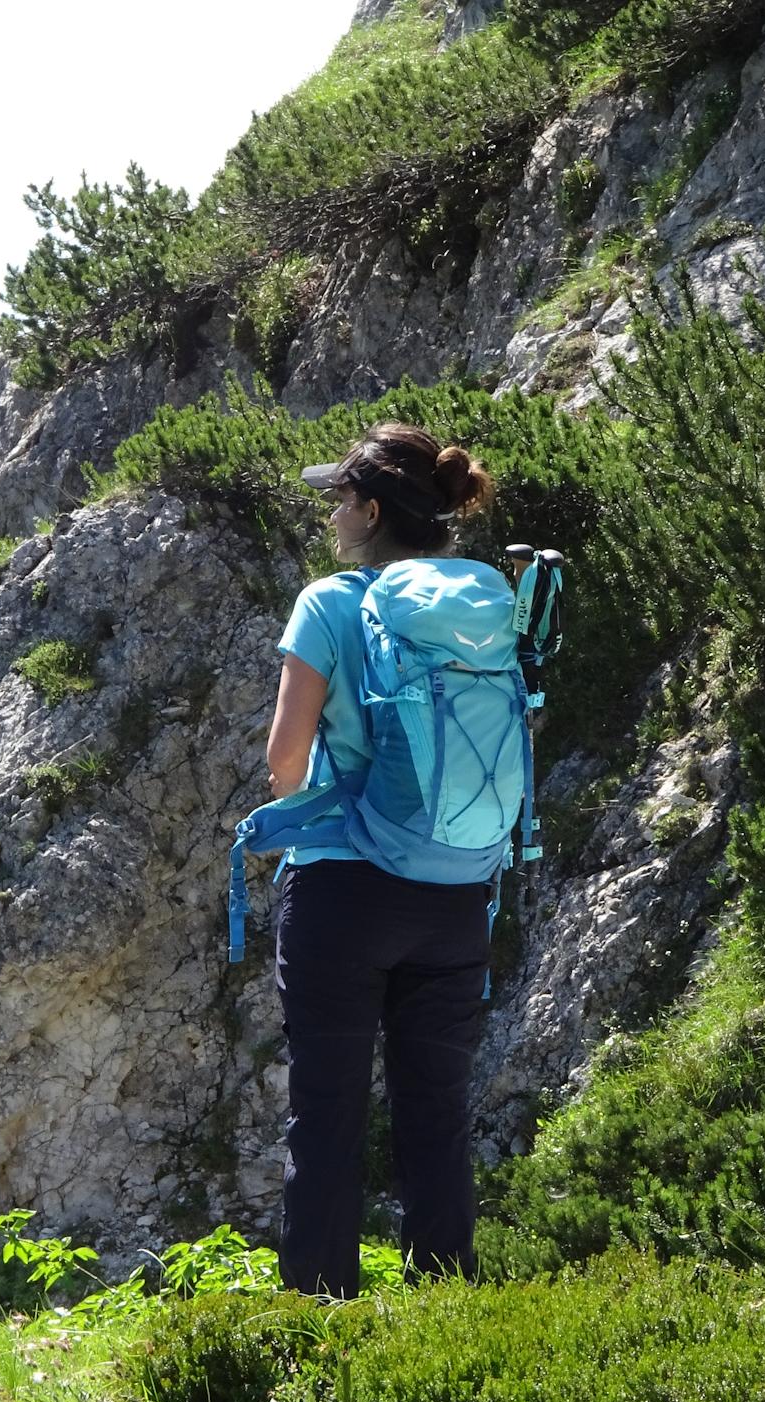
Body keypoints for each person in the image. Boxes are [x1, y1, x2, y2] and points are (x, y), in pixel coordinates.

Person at [263, 420, 498, 1297]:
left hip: (345, 890)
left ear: (367, 511)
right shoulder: (476, 602)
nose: (330, 519)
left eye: (338, 503)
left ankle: (321, 1325)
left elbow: (286, 762)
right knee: (435, 1114)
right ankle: (445, 1319)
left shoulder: (329, 603)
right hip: (457, 888)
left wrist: (304, 811)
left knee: (327, 1114)